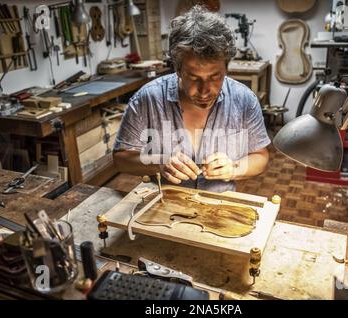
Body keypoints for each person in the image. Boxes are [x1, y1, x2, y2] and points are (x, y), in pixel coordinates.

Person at [113, 5, 270, 192]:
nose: (204, 91)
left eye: (215, 77)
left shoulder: (244, 100)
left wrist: (234, 168)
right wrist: (160, 163)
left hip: (220, 205)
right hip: (165, 203)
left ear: (227, 68)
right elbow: (121, 159)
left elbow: (260, 157)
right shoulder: (148, 99)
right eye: (194, 78)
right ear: (178, 69)